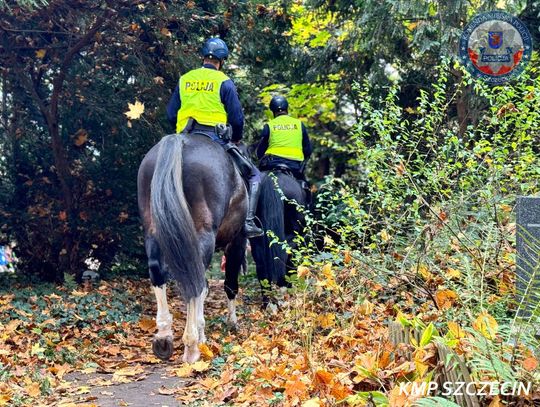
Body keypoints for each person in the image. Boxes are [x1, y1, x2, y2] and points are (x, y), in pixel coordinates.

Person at [166, 38, 263, 238]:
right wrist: (236, 138)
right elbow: (237, 119)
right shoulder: (224, 82)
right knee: (254, 176)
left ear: (203, 56)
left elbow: (170, 114)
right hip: (215, 138)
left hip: (183, 136)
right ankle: (248, 221)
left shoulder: (185, 79)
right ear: (222, 61)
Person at [256, 95, 312, 180]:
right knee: (306, 188)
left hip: (272, 164)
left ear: (273, 111)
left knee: (256, 184)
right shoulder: (299, 124)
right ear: (287, 109)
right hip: (294, 166)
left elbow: (260, 151)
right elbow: (308, 150)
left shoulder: (269, 125)